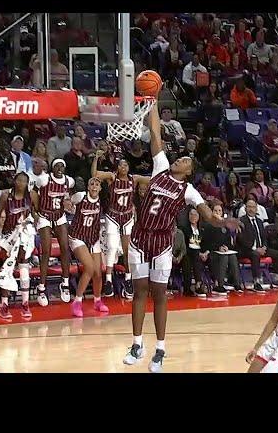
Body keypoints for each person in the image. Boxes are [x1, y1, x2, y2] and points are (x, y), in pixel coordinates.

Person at [123, 101, 241, 373]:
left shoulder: (189, 190)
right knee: (139, 292)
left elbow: (208, 216)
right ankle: (137, 344)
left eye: (185, 160)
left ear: (189, 170)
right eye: (180, 157)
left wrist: (224, 221)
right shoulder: (160, 167)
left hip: (163, 243)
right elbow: (155, 135)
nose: (180, 159)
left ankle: (160, 349)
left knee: (160, 295)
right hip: (140, 239)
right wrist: (152, 103)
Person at [92, 154, 150, 299]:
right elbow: (94, 174)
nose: (123, 167)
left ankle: (128, 279)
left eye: (125, 165)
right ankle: (109, 280)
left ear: (128, 167)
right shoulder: (112, 177)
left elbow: (152, 179)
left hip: (128, 216)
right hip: (113, 215)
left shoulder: (134, 179)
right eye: (120, 165)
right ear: (117, 167)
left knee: (128, 250)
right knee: (112, 247)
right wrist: (95, 159)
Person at [0, 172, 37, 319]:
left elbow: (36, 212)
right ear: (15, 181)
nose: (21, 183)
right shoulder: (6, 195)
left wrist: (32, 222)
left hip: (24, 233)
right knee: (7, 267)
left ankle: (25, 303)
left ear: (27, 183)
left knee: (23, 265)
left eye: (24, 180)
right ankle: (4, 304)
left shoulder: (32, 195)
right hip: (8, 235)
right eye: (19, 180)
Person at [33, 159, 75, 307]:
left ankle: (64, 283)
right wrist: (35, 212)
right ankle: (41, 287)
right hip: (45, 215)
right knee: (46, 251)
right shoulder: (44, 179)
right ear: (52, 167)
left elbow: (68, 197)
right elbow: (33, 195)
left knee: (65, 248)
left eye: (62, 166)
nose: (59, 168)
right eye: (57, 166)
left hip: (59, 215)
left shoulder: (69, 181)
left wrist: (69, 203)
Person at [67, 177, 108, 316]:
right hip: (77, 236)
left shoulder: (102, 202)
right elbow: (67, 201)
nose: (94, 186)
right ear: (88, 187)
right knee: (89, 268)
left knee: (97, 272)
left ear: (100, 188)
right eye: (92, 184)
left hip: (93, 238)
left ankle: (97, 301)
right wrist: (69, 207)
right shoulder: (80, 197)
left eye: (97, 184)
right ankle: (77, 302)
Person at [237, 199, 278, 290]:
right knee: (255, 254)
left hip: (261, 248)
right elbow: (241, 239)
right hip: (247, 249)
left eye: (253, 207)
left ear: (256, 209)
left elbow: (264, 237)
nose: (251, 209)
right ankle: (256, 281)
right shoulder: (241, 221)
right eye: (249, 207)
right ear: (245, 208)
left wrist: (264, 247)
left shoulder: (259, 221)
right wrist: (255, 249)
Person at [203, 202, 242, 295]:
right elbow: (206, 243)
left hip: (224, 252)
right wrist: (218, 248)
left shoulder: (225, 226)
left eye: (219, 211)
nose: (217, 212)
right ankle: (219, 285)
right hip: (212, 252)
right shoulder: (208, 225)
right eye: (215, 211)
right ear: (212, 212)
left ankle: (236, 283)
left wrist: (227, 247)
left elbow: (229, 242)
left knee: (232, 256)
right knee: (224, 257)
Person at [0, 138, 26, 202]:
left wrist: (14, 179)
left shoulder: (17, 157)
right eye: (3, 145)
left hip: (12, 189)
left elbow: (22, 170)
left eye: (7, 145)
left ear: (10, 146)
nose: (5, 147)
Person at [180, 208, 209, 297]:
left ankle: (199, 284)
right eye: (191, 214)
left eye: (195, 215)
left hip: (199, 253)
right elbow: (184, 245)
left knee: (198, 258)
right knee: (190, 259)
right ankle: (194, 286)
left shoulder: (202, 229)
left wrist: (206, 253)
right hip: (188, 253)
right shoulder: (184, 228)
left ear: (199, 216)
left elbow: (206, 244)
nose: (193, 217)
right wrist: (199, 253)